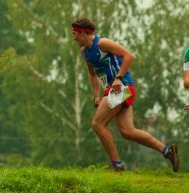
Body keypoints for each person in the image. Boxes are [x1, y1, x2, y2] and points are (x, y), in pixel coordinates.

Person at [71, 17, 179, 172]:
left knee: (97, 124)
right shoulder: (85, 53)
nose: (73, 37)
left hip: (122, 87)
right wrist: (96, 95)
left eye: (74, 33)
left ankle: (117, 164)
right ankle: (168, 151)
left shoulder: (102, 43)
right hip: (115, 90)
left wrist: (118, 78)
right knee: (128, 131)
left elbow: (129, 56)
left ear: (83, 32)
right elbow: (93, 75)